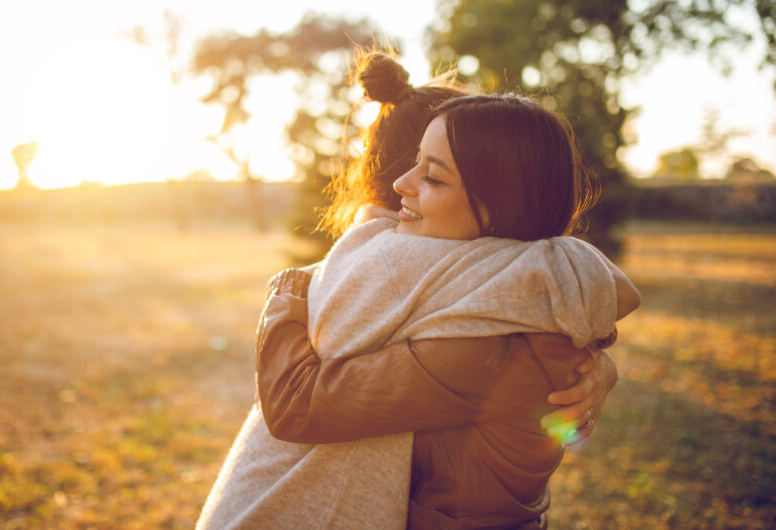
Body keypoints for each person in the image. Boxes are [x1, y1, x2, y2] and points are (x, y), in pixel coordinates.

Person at [197, 52, 634, 529]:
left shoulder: (492, 343)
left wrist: (291, 289)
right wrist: (600, 363)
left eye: (432, 175)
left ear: (501, 204)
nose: (401, 184)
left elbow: (297, 405)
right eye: (413, 164)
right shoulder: (509, 295)